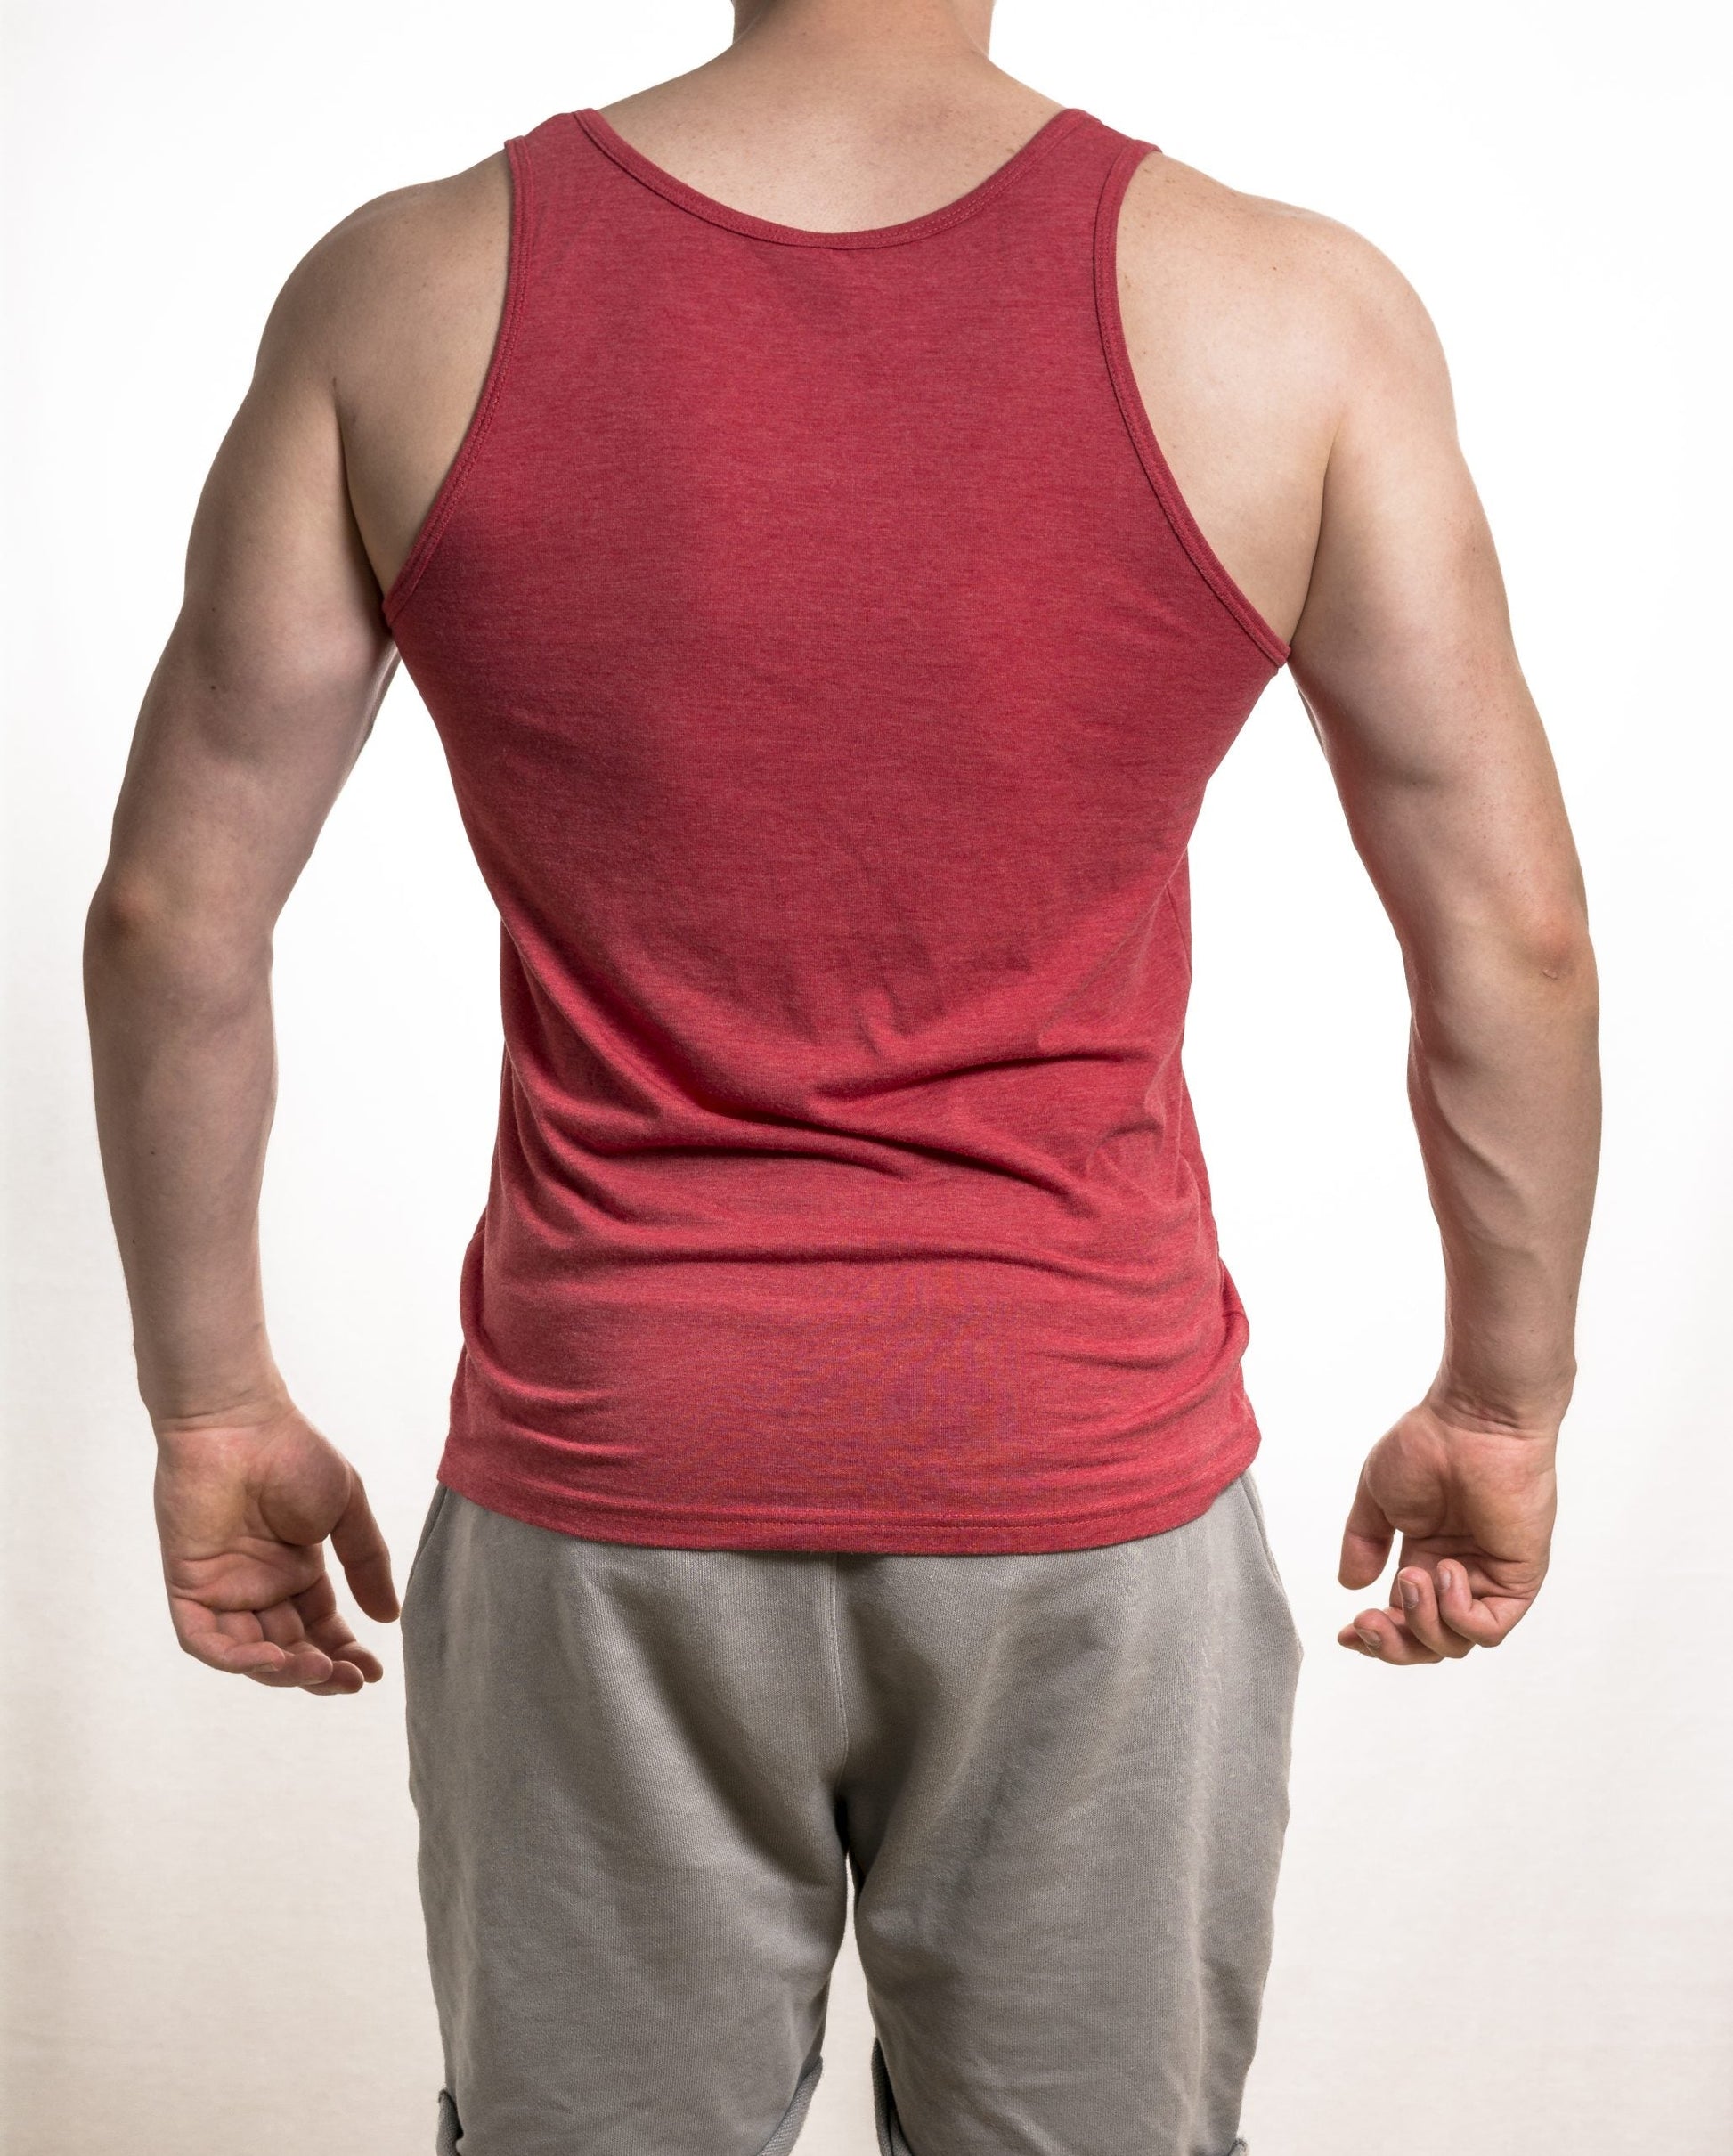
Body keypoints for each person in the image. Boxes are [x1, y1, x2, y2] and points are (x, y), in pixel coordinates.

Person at [82, 0, 1600, 2150]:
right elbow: (1512, 939)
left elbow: (173, 916)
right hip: (1082, 1477)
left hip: (611, 1468)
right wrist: (1501, 1401)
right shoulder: (1290, 313)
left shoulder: (401, 290)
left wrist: (214, 1404)